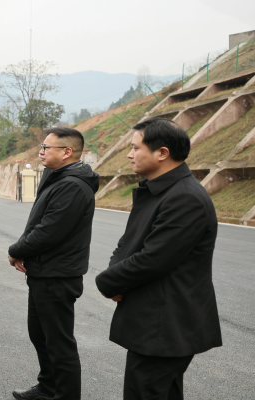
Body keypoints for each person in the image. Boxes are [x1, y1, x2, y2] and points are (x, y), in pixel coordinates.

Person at [95, 118, 221, 400]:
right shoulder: (159, 190)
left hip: (167, 323)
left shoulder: (185, 198)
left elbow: (154, 259)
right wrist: (116, 278)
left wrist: (107, 281)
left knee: (145, 392)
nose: (129, 155)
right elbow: (128, 242)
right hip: (156, 321)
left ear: (162, 153)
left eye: (135, 148)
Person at [7, 127, 100, 400]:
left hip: (57, 275)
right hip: (43, 271)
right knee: (40, 335)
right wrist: (24, 249)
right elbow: (37, 222)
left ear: (67, 152)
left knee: (59, 343)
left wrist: (15, 250)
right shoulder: (57, 177)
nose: (41, 152)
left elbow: (49, 231)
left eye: (46, 148)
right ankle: (48, 387)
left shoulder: (73, 186)